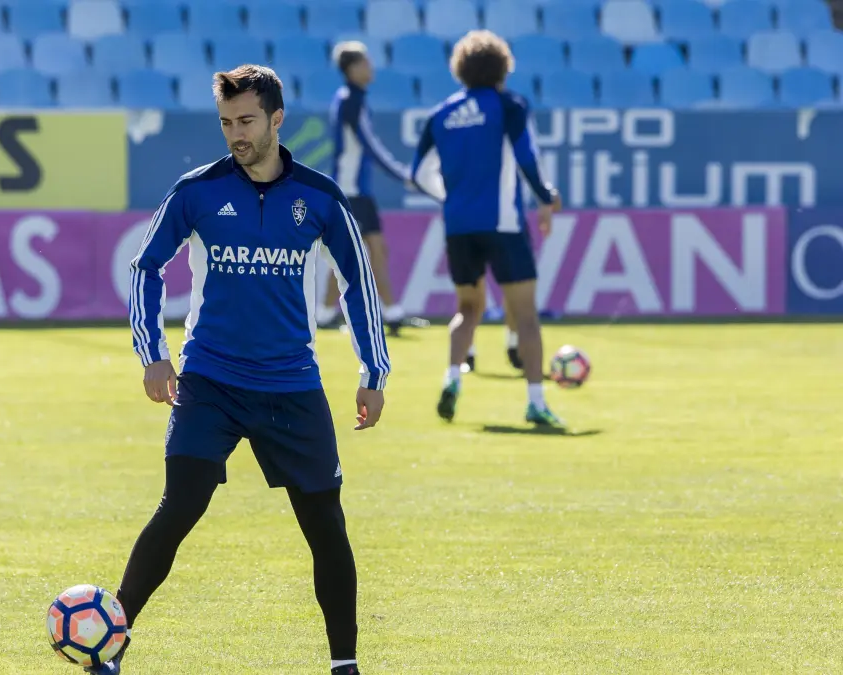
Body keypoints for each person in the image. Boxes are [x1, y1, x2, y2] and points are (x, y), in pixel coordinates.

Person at [106, 65, 391, 675]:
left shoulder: (319, 196)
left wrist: (374, 370)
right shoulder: (197, 191)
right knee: (179, 507)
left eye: (247, 121)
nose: (236, 134)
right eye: (226, 122)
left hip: (292, 386)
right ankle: (108, 642)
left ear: (276, 119)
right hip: (209, 382)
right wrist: (152, 352)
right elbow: (145, 267)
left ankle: (345, 664)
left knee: (326, 526)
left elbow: (358, 282)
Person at [409, 30, 563, 427]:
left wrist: (451, 197)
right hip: (503, 224)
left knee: (467, 309)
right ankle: (536, 402)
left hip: (458, 225)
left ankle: (452, 378)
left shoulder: (442, 113)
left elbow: (419, 173)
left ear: (460, 69)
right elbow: (527, 156)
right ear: (502, 68)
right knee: (525, 316)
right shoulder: (509, 105)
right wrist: (546, 196)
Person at [317, 40, 428, 337]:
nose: (371, 67)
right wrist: (402, 174)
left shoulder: (351, 99)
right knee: (365, 252)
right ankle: (388, 314)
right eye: (365, 62)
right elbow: (370, 145)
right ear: (352, 68)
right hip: (351, 191)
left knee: (363, 252)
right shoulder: (351, 101)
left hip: (357, 191)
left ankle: (335, 313)